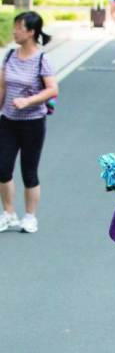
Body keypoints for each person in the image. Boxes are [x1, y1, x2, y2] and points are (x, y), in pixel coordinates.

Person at [0, 12, 57, 234]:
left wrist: (28, 101)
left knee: (29, 172)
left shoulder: (43, 58)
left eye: (18, 27)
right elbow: (3, 86)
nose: (14, 31)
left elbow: (52, 89)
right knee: (3, 168)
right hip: (8, 122)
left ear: (31, 32)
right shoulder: (9, 55)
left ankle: (30, 217)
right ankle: (8, 214)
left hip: (33, 123)